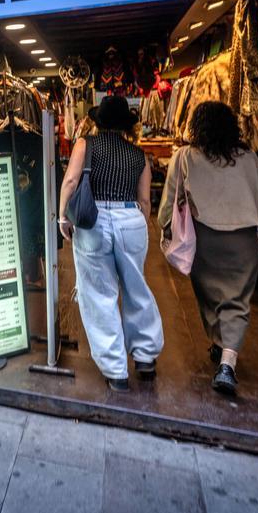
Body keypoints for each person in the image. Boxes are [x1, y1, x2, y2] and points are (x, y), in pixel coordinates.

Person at [158, 101, 258, 396]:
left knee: (209, 295)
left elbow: (170, 200)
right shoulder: (250, 158)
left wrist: (164, 227)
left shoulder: (185, 157)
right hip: (244, 240)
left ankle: (223, 352)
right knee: (237, 300)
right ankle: (226, 357)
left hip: (204, 240)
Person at [58, 96, 164, 391]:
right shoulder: (138, 155)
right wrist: (138, 226)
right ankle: (145, 357)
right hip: (131, 218)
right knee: (136, 286)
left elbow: (71, 182)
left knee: (99, 293)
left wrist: (63, 216)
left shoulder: (86, 145)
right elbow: (145, 200)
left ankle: (116, 370)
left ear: (99, 122)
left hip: (95, 221)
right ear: (126, 125)